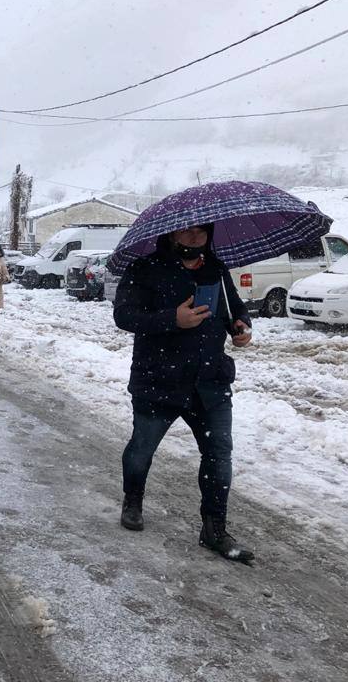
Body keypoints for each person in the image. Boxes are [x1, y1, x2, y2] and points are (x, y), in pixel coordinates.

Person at [113, 223, 255, 563]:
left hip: (210, 382)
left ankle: (214, 528)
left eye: (202, 231)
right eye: (187, 231)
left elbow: (234, 308)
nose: (195, 237)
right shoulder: (145, 269)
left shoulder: (217, 270)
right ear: (171, 234)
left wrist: (240, 325)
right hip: (159, 380)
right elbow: (124, 315)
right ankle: (133, 499)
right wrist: (171, 319)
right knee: (142, 448)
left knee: (219, 453)